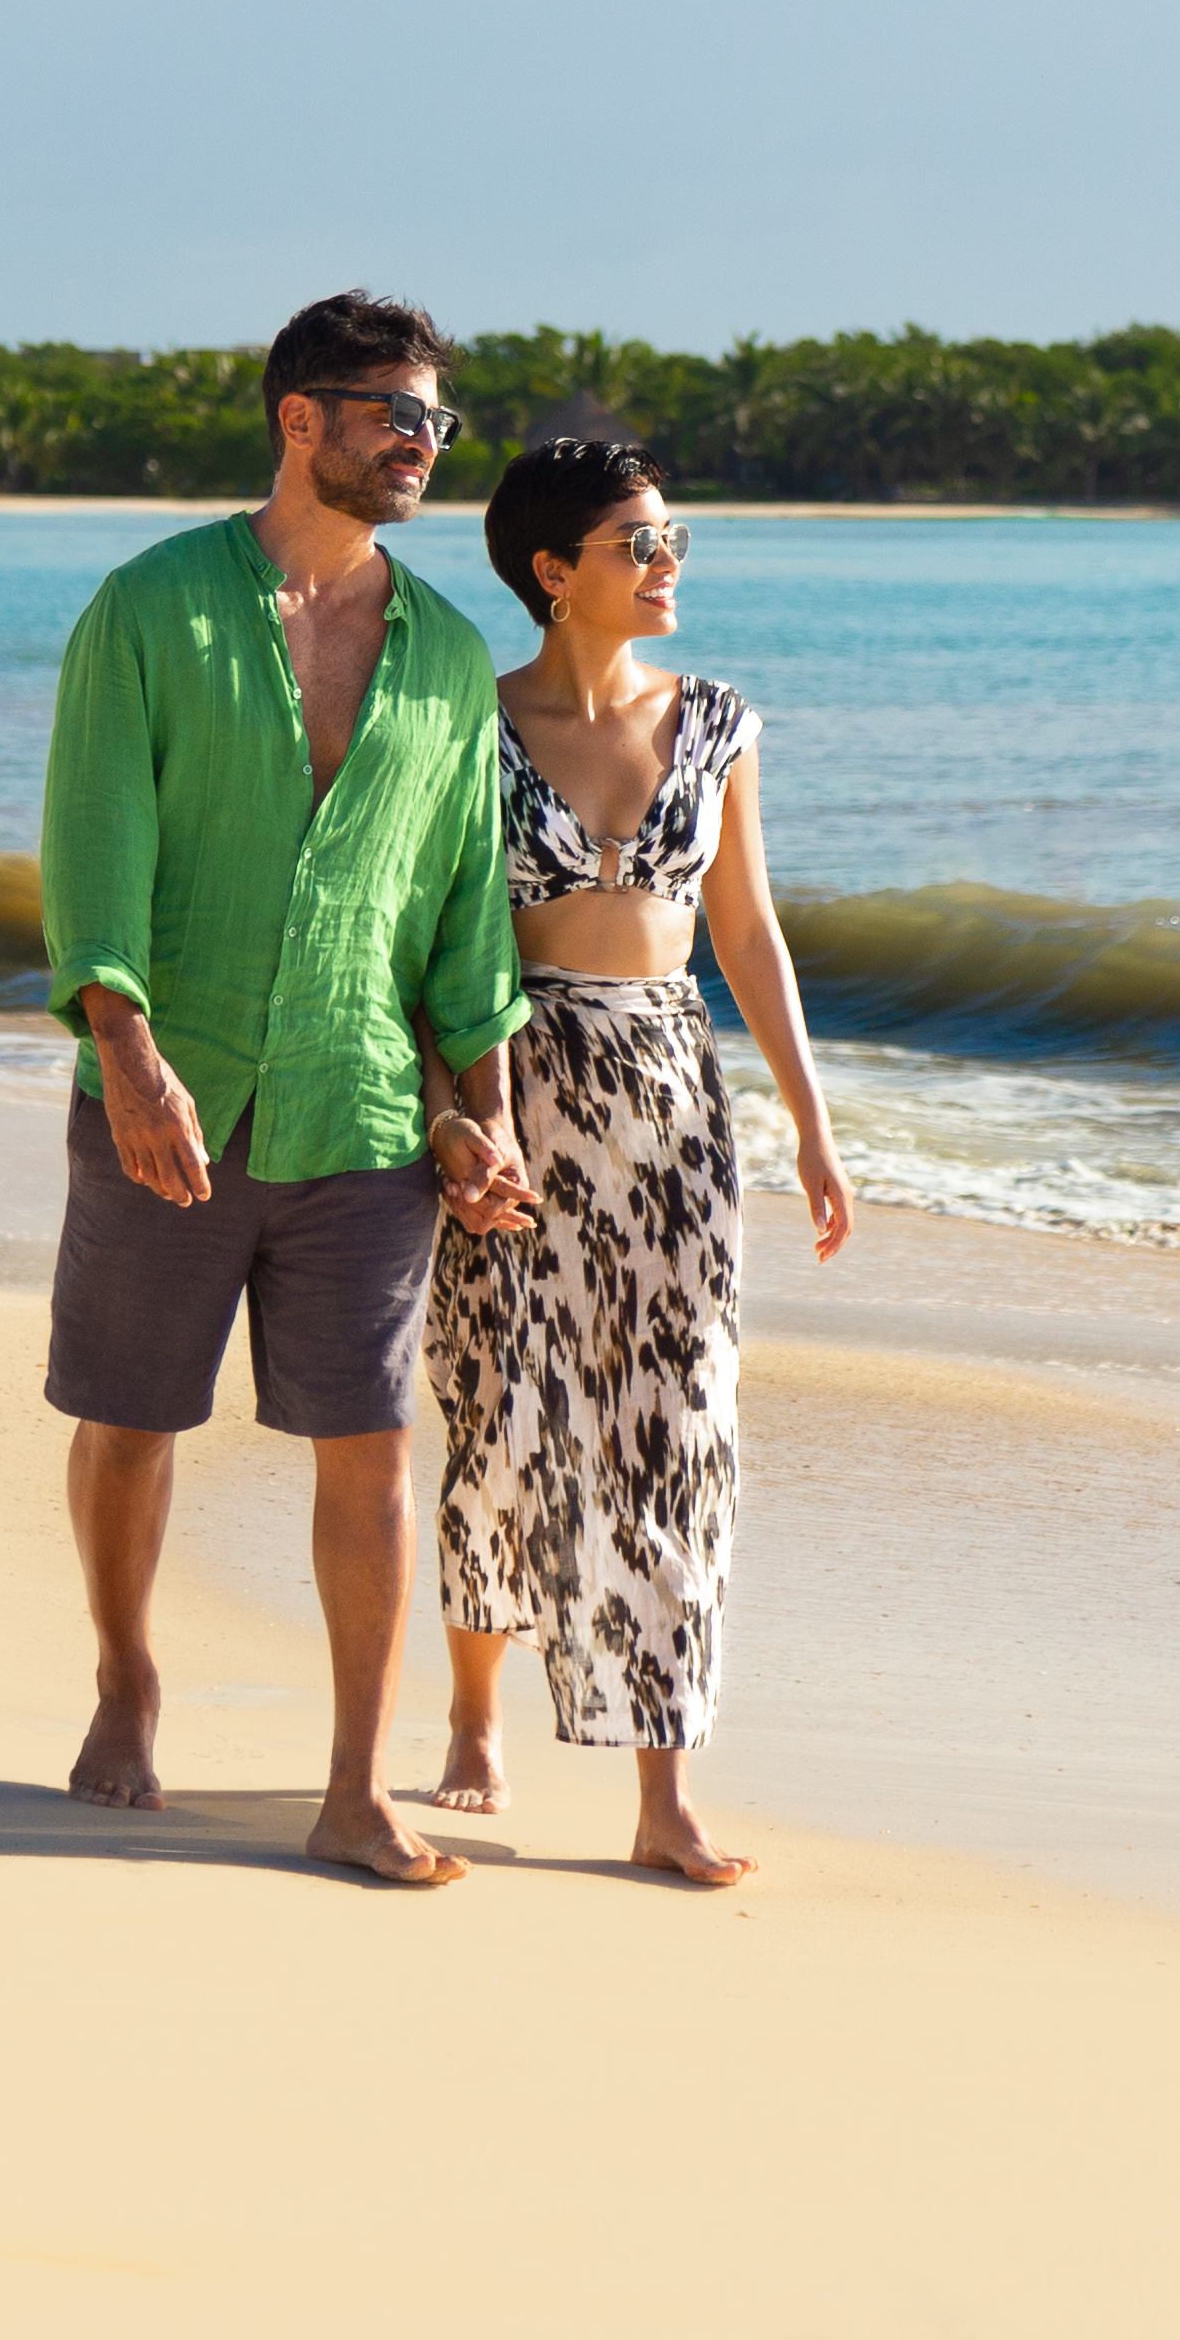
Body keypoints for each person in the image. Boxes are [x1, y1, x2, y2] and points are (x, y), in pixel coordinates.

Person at [36, 290, 542, 1888]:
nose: (419, 442)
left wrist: (489, 1105)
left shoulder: (450, 657)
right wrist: (127, 1056)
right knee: (129, 1420)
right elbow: (93, 848)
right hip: (170, 1087)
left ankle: (351, 1787)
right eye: (390, 411)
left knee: (371, 1446)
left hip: (365, 1108)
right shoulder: (151, 609)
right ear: (298, 419)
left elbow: (464, 904)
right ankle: (126, 1676)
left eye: (434, 419)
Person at [416, 436, 853, 1887]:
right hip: (519, 1084)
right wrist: (450, 1112)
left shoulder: (717, 720)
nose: (669, 563)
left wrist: (809, 1116)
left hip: (670, 1100)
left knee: (679, 1427)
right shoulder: (465, 729)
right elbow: (423, 948)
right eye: (638, 543)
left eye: (673, 539)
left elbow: (747, 932)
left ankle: (665, 1794)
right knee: (502, 1401)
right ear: (554, 571)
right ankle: (478, 1714)